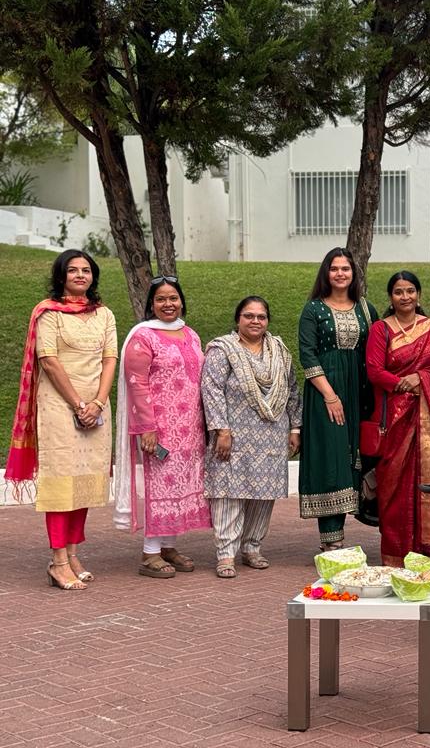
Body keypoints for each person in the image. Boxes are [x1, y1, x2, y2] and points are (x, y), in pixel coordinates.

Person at [6, 250, 117, 590]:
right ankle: (57, 561)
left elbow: (110, 359)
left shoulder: (104, 314)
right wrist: (79, 404)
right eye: (73, 270)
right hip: (59, 405)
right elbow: (49, 361)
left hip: (97, 407)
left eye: (86, 270)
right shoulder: (49, 313)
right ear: (61, 276)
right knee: (61, 482)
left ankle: (72, 553)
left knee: (84, 482)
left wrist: (97, 403)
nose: (80, 275)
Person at [366, 272, 430, 566]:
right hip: (395, 418)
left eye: (410, 290)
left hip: (428, 420)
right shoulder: (381, 329)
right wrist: (403, 384)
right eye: (399, 291)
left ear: (418, 295)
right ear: (391, 297)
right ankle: (396, 554)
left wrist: (421, 378)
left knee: (429, 482)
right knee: (393, 488)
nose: (405, 296)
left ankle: (428, 551)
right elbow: (374, 371)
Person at [114, 276, 211, 578]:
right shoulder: (143, 337)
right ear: (151, 304)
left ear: (181, 301)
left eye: (173, 298)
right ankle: (150, 553)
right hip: (160, 428)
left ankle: (168, 547)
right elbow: (137, 383)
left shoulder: (190, 334)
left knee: (180, 486)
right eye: (161, 299)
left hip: (190, 427)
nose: (168, 304)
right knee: (160, 486)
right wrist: (147, 427)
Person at [201, 296, 302, 578]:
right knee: (228, 492)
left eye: (261, 316)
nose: (255, 321)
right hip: (233, 434)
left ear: (267, 321)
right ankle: (225, 554)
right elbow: (211, 389)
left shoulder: (278, 350)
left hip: (272, 433)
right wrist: (221, 429)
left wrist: (295, 428)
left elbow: (292, 389)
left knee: (263, 495)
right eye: (249, 316)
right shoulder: (223, 350)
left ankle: (252, 547)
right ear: (238, 319)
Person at [298, 247, 377, 550]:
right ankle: (331, 541)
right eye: (334, 268)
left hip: (359, 395)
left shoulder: (366, 309)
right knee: (330, 459)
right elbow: (307, 354)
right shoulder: (313, 310)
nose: (340, 274)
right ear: (326, 273)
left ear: (354, 273)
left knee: (354, 459)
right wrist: (330, 396)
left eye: (345, 268)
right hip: (325, 396)